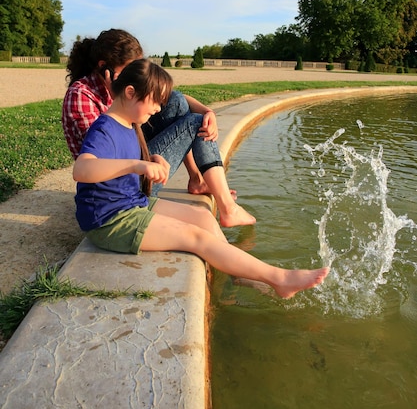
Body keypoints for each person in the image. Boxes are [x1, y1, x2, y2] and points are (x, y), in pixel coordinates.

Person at [72, 59, 329, 299]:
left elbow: (127, 157)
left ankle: (237, 272)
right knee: (197, 239)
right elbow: (82, 170)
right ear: (130, 93)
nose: (159, 109)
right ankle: (279, 278)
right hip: (109, 221)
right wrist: (137, 165)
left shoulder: (129, 122)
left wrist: (152, 160)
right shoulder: (105, 128)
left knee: (203, 217)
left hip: (132, 202)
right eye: (155, 102)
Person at [62, 28, 255, 228]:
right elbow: (102, 156)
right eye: (127, 71)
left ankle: (197, 179)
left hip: (134, 168)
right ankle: (228, 209)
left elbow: (170, 96)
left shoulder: (123, 88)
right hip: (120, 187)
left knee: (178, 102)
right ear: (104, 68)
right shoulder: (82, 95)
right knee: (194, 123)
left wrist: (209, 112)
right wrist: (116, 98)